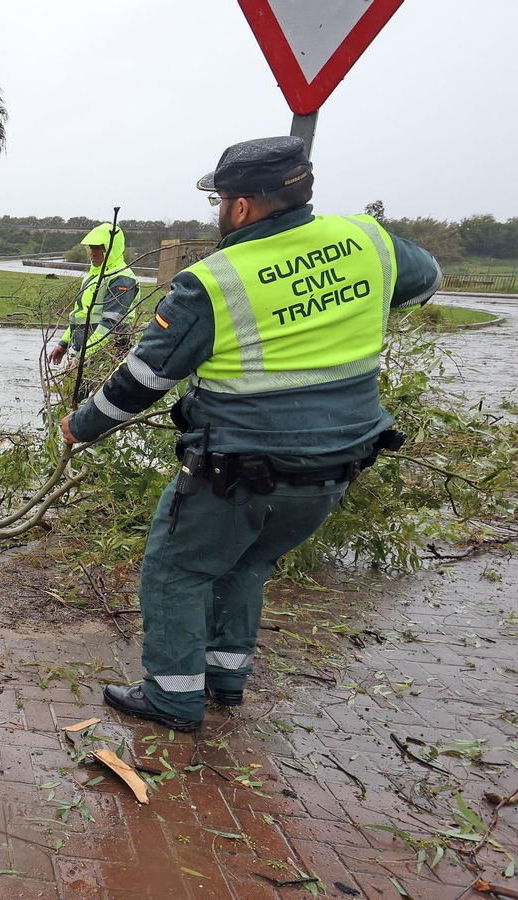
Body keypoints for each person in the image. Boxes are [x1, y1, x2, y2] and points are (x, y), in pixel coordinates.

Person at [58, 137, 442, 731]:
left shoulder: (212, 281)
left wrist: (79, 427)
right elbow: (425, 283)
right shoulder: (369, 240)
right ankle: (225, 680)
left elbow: (142, 381)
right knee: (246, 563)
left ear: (239, 208)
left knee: (177, 570)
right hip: (335, 469)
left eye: (218, 199)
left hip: (239, 471)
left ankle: (172, 697)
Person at [48, 223, 140, 369]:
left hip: (107, 353)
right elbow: (82, 315)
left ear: (112, 248)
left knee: (97, 391)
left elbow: (110, 325)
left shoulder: (122, 278)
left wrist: (83, 357)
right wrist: (64, 343)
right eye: (91, 247)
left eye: (99, 248)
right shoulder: (94, 276)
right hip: (85, 352)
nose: (93, 253)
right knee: (73, 391)